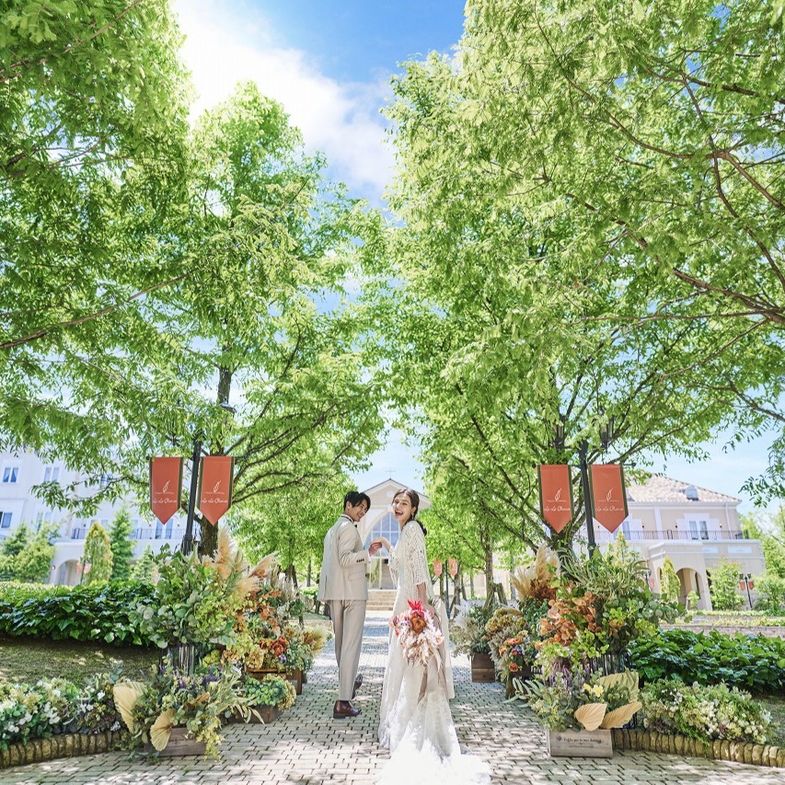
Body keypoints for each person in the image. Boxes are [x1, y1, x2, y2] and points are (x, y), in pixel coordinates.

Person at [375, 488, 490, 785]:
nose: (398, 506)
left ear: (413, 509)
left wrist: (422, 607)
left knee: (415, 663)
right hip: (404, 600)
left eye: (404, 503)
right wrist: (386, 543)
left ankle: (415, 722)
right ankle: (408, 718)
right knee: (406, 662)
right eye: (396, 502)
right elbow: (399, 566)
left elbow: (418, 570)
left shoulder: (413, 530)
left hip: (413, 601)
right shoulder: (405, 532)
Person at [318, 490, 381, 719]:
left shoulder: (332, 530)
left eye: (365, 509)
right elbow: (345, 559)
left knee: (341, 646)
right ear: (348, 505)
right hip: (352, 593)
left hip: (336, 592)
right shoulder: (347, 528)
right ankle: (343, 702)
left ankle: (348, 685)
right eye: (360, 507)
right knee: (351, 646)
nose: (363, 512)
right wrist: (367, 553)